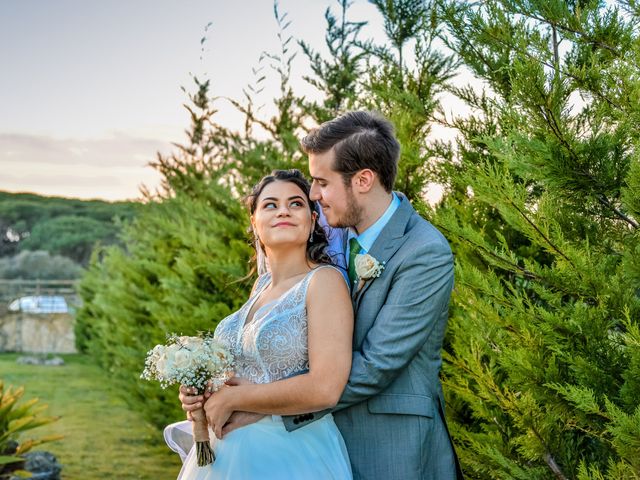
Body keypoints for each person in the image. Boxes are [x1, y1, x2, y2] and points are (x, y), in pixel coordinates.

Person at [285, 110, 464, 479]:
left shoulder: (424, 251)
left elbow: (378, 364)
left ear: (363, 180)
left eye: (322, 182)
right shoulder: (330, 237)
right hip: (319, 443)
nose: (313, 194)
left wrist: (271, 402)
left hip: (392, 447)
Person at [176, 169, 354, 479]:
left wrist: (235, 398)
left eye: (296, 203)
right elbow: (246, 367)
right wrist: (202, 393)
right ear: (254, 223)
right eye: (270, 205)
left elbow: (326, 388)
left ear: (313, 221)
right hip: (227, 456)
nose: (283, 210)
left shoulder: (324, 282)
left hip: (291, 454)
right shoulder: (261, 286)